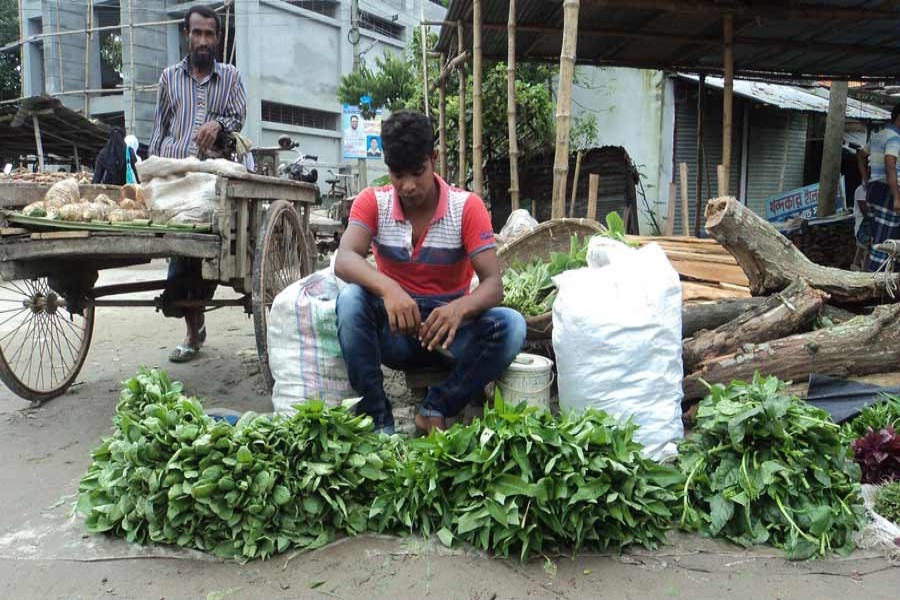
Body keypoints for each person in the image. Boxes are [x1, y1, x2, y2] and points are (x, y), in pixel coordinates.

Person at [334, 110, 526, 434]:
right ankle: (379, 422)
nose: (407, 186)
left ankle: (437, 406)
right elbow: (344, 259)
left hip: (451, 338)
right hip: (397, 337)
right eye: (397, 174)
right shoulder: (373, 202)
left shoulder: (465, 207)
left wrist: (458, 309)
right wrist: (390, 290)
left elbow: (493, 284)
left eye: (417, 172)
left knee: (512, 326)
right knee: (351, 300)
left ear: (433, 158)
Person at [148, 4, 247, 362]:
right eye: (197, 33)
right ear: (186, 35)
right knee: (179, 250)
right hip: (175, 177)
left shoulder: (231, 77)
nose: (203, 40)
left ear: (217, 38)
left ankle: (193, 323)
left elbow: (239, 116)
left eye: (209, 33)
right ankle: (191, 329)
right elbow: (159, 131)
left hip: (213, 178)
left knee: (200, 250)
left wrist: (219, 125)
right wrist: (152, 172)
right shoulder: (168, 78)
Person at [860, 104, 900, 272]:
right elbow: (890, 165)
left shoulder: (878, 135)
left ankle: (881, 278)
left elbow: (861, 154)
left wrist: (865, 178)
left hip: (874, 190)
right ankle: (877, 281)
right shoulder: (895, 138)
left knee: (879, 236)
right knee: (886, 239)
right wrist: (897, 197)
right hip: (888, 192)